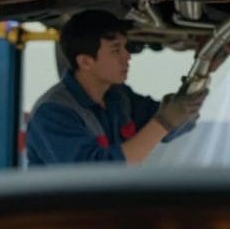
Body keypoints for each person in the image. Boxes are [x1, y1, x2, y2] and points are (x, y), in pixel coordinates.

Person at [26, 10, 209, 166]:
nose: (127, 56)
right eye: (116, 50)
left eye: (125, 47)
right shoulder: (53, 113)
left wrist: (197, 82)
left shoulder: (118, 97)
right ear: (85, 62)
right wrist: (164, 121)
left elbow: (171, 128)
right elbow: (95, 177)